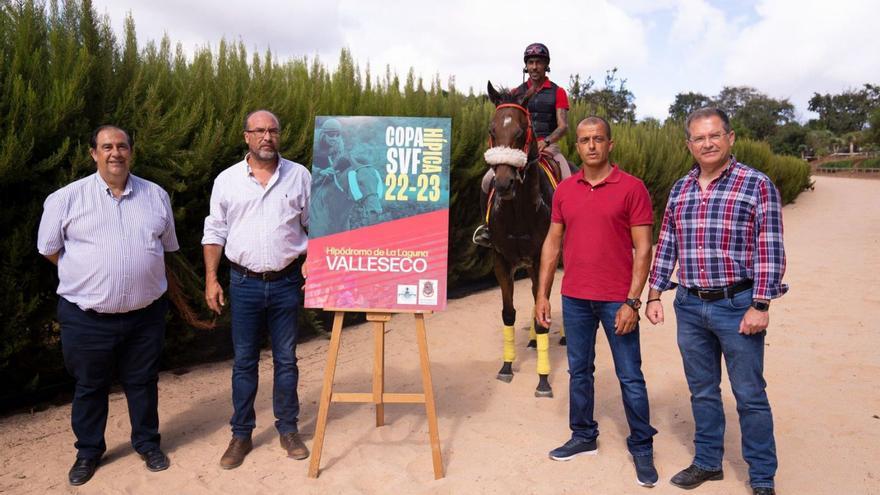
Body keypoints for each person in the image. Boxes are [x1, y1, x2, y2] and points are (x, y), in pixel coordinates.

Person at [645, 107, 786, 495]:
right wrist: (654, 294)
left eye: (714, 136)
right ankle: (708, 462)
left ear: (730, 138)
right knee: (703, 390)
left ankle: (761, 477)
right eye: (698, 138)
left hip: (737, 306)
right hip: (689, 306)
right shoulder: (680, 188)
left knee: (749, 394)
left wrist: (761, 304)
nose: (707, 143)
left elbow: (769, 248)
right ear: (689, 144)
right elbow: (668, 244)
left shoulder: (755, 184)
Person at [37, 125, 178, 486]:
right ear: (93, 153)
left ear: (131, 151)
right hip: (86, 318)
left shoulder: (156, 195)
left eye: (122, 146)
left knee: (143, 383)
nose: (115, 152)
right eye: (107, 146)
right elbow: (50, 249)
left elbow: (164, 246)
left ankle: (147, 443)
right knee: (89, 386)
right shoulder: (65, 199)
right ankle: (88, 452)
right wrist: (88, 274)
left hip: (145, 316)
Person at [535, 117, 659, 487]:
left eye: (598, 139)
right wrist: (543, 294)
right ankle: (584, 436)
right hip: (574, 298)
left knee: (630, 376)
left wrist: (632, 302)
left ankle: (641, 446)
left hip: (616, 301)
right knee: (579, 372)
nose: (591, 146)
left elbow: (643, 248)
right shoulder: (565, 190)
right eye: (585, 140)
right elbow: (552, 243)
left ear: (610, 144)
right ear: (577, 146)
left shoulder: (632, 188)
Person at [202, 109, 311, 469]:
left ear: (280, 135)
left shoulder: (299, 176)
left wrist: (314, 257)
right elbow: (215, 231)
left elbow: (316, 225)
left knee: (286, 360)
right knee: (244, 362)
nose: (267, 136)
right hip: (244, 283)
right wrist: (211, 278)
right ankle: (241, 434)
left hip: (286, 282)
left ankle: (288, 429)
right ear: (246, 136)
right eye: (259, 131)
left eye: (273, 130)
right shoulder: (227, 181)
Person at [473, 42, 571, 247]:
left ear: (546, 66)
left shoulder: (558, 92)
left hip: (547, 147)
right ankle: (488, 229)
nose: (535, 66)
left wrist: (547, 141)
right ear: (526, 66)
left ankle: (569, 229)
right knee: (486, 180)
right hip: (518, 149)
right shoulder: (516, 92)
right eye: (531, 62)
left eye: (539, 62)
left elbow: (563, 126)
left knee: (568, 178)